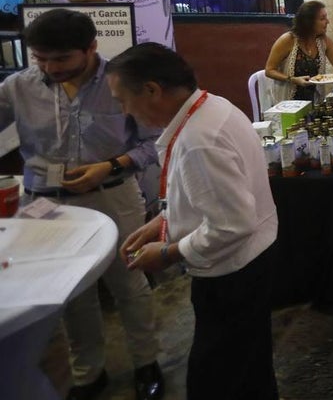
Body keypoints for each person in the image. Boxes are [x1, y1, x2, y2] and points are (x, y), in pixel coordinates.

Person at [0, 9, 164, 400]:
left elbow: (152, 142)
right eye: (40, 58)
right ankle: (88, 373)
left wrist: (109, 165)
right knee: (71, 292)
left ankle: (147, 362)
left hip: (113, 194)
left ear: (91, 48)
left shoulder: (122, 82)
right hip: (46, 204)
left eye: (60, 59)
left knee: (130, 281)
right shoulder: (17, 87)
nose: (49, 67)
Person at [112, 43, 279, 400]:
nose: (124, 111)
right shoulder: (212, 106)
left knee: (216, 380)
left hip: (231, 274)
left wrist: (170, 252)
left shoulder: (198, 140)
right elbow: (209, 196)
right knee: (249, 367)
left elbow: (231, 225)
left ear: (152, 90)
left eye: (122, 100)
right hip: (250, 263)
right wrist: (163, 220)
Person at [265, 1, 333, 103]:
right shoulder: (288, 40)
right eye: (322, 18)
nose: (327, 22)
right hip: (287, 103)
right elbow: (269, 71)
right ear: (309, 22)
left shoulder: (324, 42)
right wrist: (292, 79)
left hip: (313, 101)